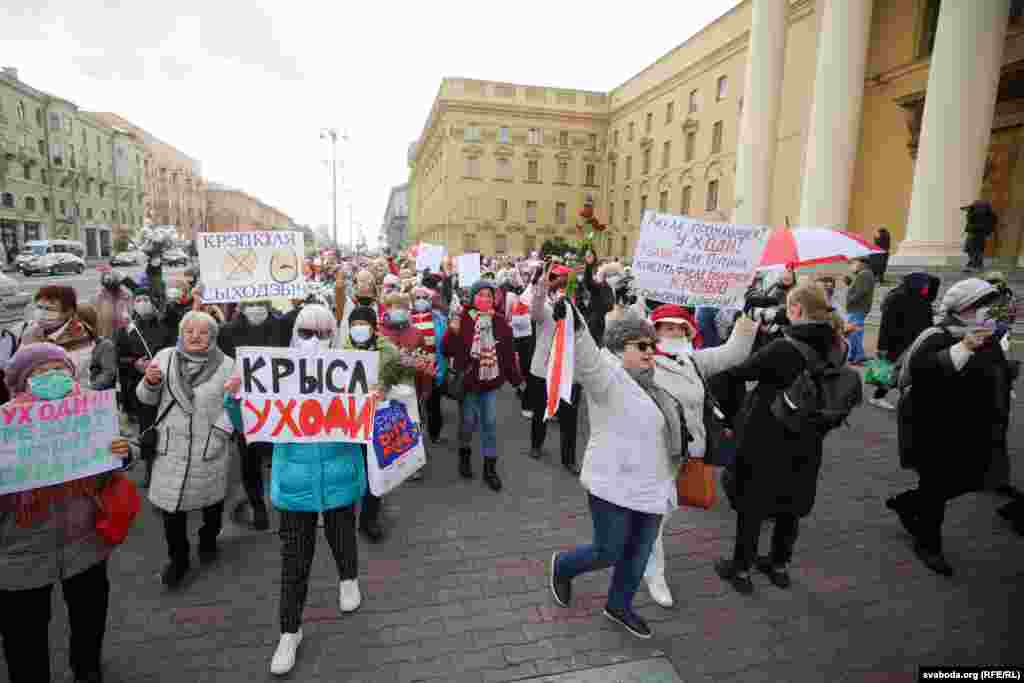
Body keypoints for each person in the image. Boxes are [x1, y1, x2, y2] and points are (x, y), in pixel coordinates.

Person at [224, 305, 372, 676]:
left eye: (322, 334)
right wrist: (237, 398)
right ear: (294, 334)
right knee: (294, 563)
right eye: (305, 332)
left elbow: (369, 419)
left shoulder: (348, 369)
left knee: (343, 535)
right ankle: (289, 632)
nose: (313, 341)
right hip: (295, 482)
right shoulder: (277, 374)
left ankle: (348, 576)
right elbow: (249, 425)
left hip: (339, 474)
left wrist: (376, 396)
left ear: (332, 337)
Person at [547, 309, 685, 640]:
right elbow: (589, 361)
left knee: (638, 554)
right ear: (620, 347)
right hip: (614, 485)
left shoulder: (655, 382)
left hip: (653, 486)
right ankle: (563, 566)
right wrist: (577, 325)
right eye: (641, 345)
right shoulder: (608, 378)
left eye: (653, 345)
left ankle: (619, 605)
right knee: (608, 550)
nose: (650, 352)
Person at [0, 343, 132, 683]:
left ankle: (87, 668)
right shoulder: (5, 423)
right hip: (20, 549)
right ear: (22, 381)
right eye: (40, 373)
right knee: (23, 635)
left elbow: (110, 471)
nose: (52, 378)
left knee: (89, 616)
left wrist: (121, 452)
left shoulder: (91, 412)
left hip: (84, 537)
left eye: (58, 370)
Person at [715, 283, 848, 594]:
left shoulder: (782, 348)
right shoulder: (838, 345)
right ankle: (778, 565)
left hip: (767, 433)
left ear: (796, 310)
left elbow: (740, 372)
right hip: (809, 434)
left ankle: (742, 569)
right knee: (791, 501)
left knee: (752, 502)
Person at [889, 279, 1015, 575]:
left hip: (974, 428)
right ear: (966, 308)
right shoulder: (937, 334)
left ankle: (910, 504)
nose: (989, 312)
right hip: (935, 429)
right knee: (936, 485)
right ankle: (928, 543)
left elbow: (992, 371)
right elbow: (918, 374)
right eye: (983, 306)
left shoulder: (988, 336)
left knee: (971, 478)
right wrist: (961, 350)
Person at [642, 304, 757, 608]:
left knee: (661, 513)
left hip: (689, 454)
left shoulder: (693, 361)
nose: (675, 332)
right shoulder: (644, 361)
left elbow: (734, 353)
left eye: (680, 327)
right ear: (655, 331)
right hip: (654, 454)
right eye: (667, 327)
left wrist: (747, 317)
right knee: (656, 515)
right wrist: (621, 317)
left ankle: (636, 550)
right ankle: (654, 574)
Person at [137, 311, 236, 589]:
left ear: (213, 336)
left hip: (208, 446)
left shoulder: (228, 366)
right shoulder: (164, 357)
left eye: (203, 332)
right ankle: (178, 559)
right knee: (172, 511)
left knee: (212, 503)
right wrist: (150, 382)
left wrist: (219, 434)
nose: (195, 336)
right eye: (189, 330)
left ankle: (208, 540)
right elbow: (145, 398)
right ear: (180, 333)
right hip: (171, 447)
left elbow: (234, 407)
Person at [443, 279, 524, 491]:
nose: (485, 299)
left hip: (489, 383)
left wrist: (517, 382)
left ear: (494, 299)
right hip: (469, 383)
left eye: (489, 295)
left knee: (489, 423)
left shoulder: (500, 322)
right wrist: (452, 331)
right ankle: (464, 453)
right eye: (481, 295)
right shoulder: (463, 318)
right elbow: (446, 350)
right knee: (468, 422)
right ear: (473, 297)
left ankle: (490, 469)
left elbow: (507, 356)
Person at [218, 300, 282, 530]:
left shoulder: (282, 326)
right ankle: (258, 506)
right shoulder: (227, 332)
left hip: (279, 408)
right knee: (249, 461)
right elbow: (219, 365)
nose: (256, 308)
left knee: (279, 458)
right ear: (242, 306)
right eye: (251, 303)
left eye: (260, 303)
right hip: (245, 408)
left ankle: (284, 503)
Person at [342, 305, 404, 542]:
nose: (358, 329)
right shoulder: (341, 351)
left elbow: (400, 378)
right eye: (354, 325)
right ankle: (347, 515)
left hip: (378, 419)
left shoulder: (388, 351)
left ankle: (369, 519)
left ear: (373, 327)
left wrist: (385, 387)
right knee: (352, 470)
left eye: (363, 324)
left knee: (374, 471)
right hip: (350, 420)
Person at [527, 264, 583, 472]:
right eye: (557, 282)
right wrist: (544, 285)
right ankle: (536, 445)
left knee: (570, 419)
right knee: (540, 411)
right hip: (543, 370)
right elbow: (535, 309)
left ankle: (569, 459)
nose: (561, 288)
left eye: (565, 283)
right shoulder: (545, 309)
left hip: (569, 372)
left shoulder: (576, 310)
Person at [115, 290, 173, 488]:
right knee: (147, 430)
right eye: (138, 300)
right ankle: (150, 470)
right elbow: (119, 358)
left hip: (165, 387)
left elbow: (175, 352)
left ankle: (168, 469)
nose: (142, 303)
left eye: (146, 299)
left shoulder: (165, 326)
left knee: (167, 429)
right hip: (139, 389)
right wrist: (135, 364)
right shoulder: (126, 330)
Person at [870, 272, 939, 410]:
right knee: (890, 369)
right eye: (924, 284)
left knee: (908, 370)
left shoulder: (919, 297)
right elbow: (886, 324)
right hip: (898, 341)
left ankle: (906, 398)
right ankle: (877, 396)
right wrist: (882, 346)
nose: (926, 287)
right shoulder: (897, 297)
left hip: (915, 339)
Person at [22, 286, 97, 386]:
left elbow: (65, 375)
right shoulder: (31, 331)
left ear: (68, 312)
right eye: (39, 307)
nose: (42, 313)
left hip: (69, 394)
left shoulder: (79, 337)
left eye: (50, 309)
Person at [412, 279, 449, 443]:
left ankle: (434, 434)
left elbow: (445, 343)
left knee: (434, 405)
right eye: (417, 298)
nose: (420, 301)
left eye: (424, 297)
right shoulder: (404, 319)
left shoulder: (439, 319)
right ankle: (414, 440)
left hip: (434, 368)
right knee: (413, 408)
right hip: (412, 371)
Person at [843, 257, 875, 365]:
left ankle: (858, 355)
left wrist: (850, 300)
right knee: (853, 332)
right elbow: (859, 289)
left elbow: (861, 291)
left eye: (853, 263)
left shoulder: (865, 274)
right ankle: (854, 355)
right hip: (858, 308)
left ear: (862, 264)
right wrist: (850, 283)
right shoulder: (863, 274)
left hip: (857, 308)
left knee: (854, 332)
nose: (851, 266)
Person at [93, 270, 132, 340]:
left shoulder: (126, 296)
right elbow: (97, 317)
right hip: (106, 335)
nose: (109, 282)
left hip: (124, 335)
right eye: (107, 280)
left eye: (111, 279)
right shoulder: (99, 297)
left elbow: (130, 315)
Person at [962, 200, 997, 272]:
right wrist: (989, 233)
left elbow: (991, 224)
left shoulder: (976, 213)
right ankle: (973, 264)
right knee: (972, 249)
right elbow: (992, 223)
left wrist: (989, 232)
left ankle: (976, 265)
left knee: (974, 249)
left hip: (976, 233)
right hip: (976, 233)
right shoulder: (990, 215)